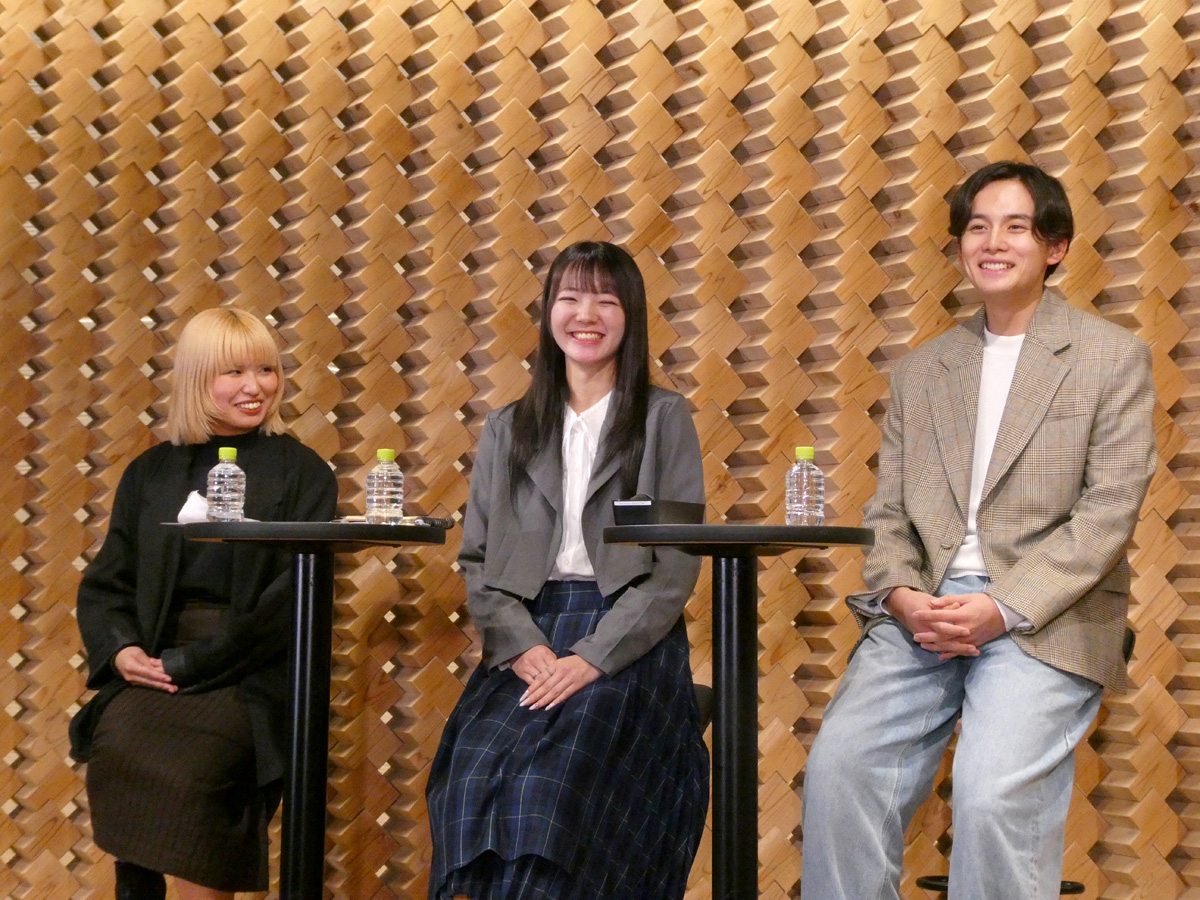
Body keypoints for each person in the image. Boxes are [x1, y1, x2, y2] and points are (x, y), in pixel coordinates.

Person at [800, 161, 1157, 900]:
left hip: (1044, 614)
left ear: (1054, 247)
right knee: (840, 771)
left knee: (991, 795)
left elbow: (1108, 513)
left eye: (1015, 227)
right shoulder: (923, 371)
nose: (992, 242)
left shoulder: (1109, 356)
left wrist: (1003, 605)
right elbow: (888, 514)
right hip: (924, 613)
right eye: (977, 227)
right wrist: (901, 597)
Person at [425, 241, 710, 900]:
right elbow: (478, 560)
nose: (587, 315)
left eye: (606, 300)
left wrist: (591, 659)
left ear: (630, 317)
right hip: (527, 634)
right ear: (549, 312)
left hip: (626, 639)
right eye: (571, 298)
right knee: (471, 778)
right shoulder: (508, 427)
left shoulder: (663, 417)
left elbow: (674, 565)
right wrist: (522, 647)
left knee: (544, 788)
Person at [70, 308, 339, 900]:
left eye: (266, 369)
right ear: (196, 378)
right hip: (155, 666)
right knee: (119, 744)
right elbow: (107, 582)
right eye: (233, 372)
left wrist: (195, 664)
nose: (254, 386)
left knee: (196, 773)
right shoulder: (150, 472)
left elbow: (288, 602)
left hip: (249, 672)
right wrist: (122, 652)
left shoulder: (304, 472)